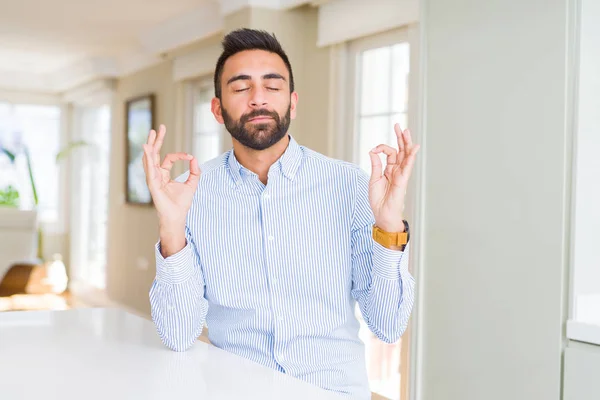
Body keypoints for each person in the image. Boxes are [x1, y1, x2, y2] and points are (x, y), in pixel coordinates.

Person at [143, 28, 420, 399]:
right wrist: (171, 226)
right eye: (241, 88)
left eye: (272, 87)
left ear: (292, 103)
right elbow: (178, 335)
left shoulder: (349, 184)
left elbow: (388, 324)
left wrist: (389, 225)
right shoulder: (190, 193)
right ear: (216, 108)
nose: (258, 99)